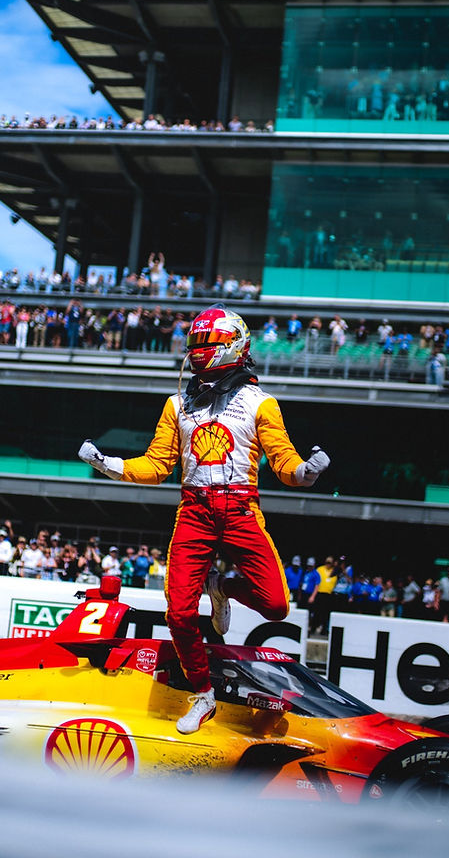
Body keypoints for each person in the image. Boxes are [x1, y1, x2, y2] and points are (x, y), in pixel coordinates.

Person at [78, 306, 330, 734]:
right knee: (178, 613)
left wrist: (304, 473)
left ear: (234, 345)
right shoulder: (176, 404)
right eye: (194, 343)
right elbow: (157, 465)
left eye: (206, 343)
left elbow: (284, 461)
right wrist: (109, 464)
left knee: (275, 606)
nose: (196, 351)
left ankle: (221, 587)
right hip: (193, 510)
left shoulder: (262, 403)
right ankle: (202, 694)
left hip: (241, 509)